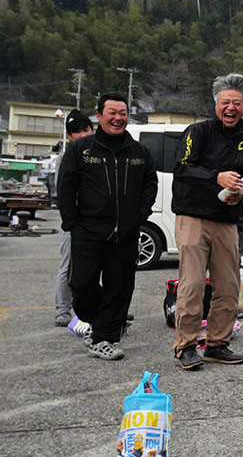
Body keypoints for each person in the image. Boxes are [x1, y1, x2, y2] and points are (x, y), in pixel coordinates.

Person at [171, 73, 243, 370]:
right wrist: (217, 177)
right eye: (226, 102)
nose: (231, 108)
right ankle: (186, 346)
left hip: (228, 221)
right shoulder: (197, 132)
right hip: (193, 217)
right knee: (193, 284)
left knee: (228, 287)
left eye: (237, 103)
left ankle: (217, 344)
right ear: (216, 104)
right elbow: (183, 167)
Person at [57, 93, 157, 361]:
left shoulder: (139, 152)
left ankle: (103, 338)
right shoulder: (82, 150)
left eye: (123, 113)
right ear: (99, 116)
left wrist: (140, 215)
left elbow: (150, 184)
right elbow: (66, 187)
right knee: (80, 285)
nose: (118, 118)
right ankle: (103, 322)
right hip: (88, 233)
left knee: (120, 288)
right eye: (112, 112)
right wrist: (72, 223)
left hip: (125, 235)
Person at [53, 109, 94, 327]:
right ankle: (62, 310)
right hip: (74, 222)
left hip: (96, 221)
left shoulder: (98, 155)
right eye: (77, 131)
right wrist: (71, 221)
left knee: (96, 267)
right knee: (68, 265)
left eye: (86, 129)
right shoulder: (66, 157)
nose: (83, 134)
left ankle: (102, 309)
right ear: (69, 136)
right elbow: (62, 192)